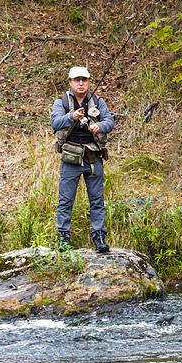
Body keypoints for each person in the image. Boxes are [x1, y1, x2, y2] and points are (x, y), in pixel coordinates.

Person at [50, 66, 115, 253]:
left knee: (97, 200)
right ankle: (63, 239)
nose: (81, 83)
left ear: (88, 82)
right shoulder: (61, 102)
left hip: (93, 157)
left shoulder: (97, 101)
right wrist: (72, 116)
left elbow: (110, 122)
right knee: (65, 200)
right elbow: (55, 123)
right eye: (77, 80)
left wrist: (99, 126)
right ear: (70, 82)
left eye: (84, 80)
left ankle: (99, 238)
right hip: (70, 159)